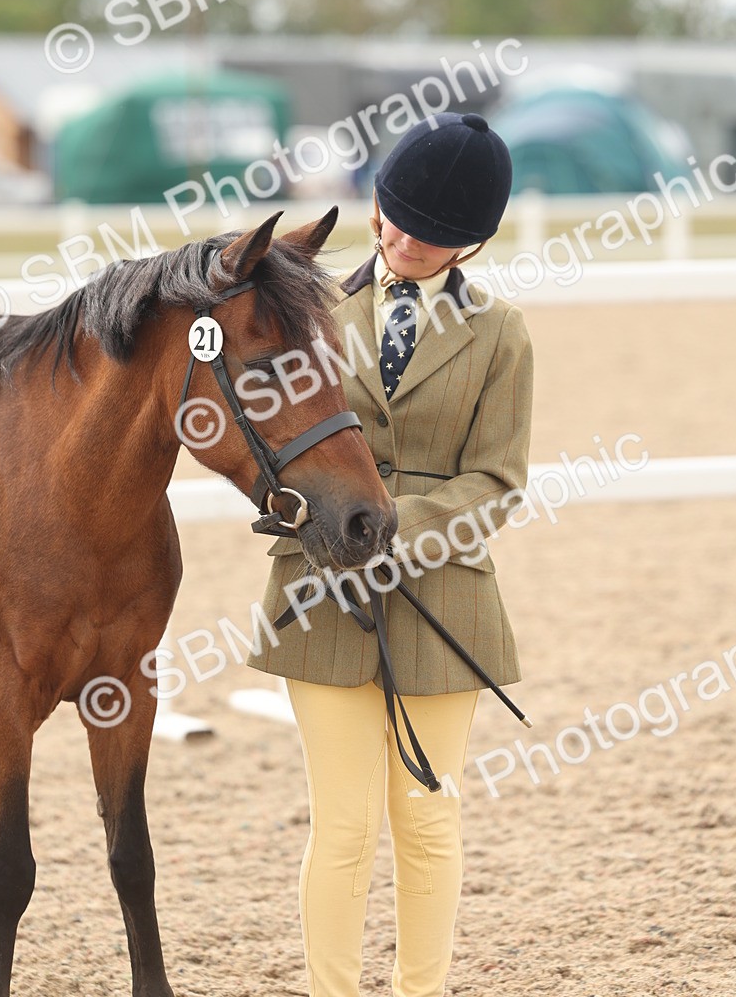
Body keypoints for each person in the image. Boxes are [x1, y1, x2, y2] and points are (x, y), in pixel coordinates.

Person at [247, 111, 534, 997]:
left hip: (443, 597)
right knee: (341, 826)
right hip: (320, 591)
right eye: (397, 220)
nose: (405, 244)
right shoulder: (307, 314)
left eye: (433, 237)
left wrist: (396, 524)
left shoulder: (499, 334)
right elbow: (265, 446)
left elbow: (498, 481)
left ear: (472, 243)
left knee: (427, 817)